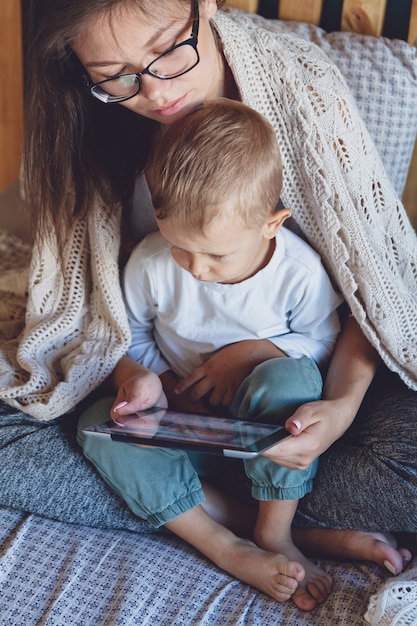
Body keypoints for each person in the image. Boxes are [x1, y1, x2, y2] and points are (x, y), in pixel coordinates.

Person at [0, 0, 416, 613]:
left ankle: (208, 505)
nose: (155, 89)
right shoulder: (84, 119)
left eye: (169, 49)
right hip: (169, 405)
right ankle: (267, 526)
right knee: (49, 430)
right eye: (115, 74)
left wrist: (340, 408)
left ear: (205, 6)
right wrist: (139, 377)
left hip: (298, 401)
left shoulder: (302, 88)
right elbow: (106, 322)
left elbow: (369, 295)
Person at [80, 98, 343, 606]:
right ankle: (222, 546)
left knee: (289, 382)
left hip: (264, 425)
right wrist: (147, 381)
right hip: (182, 418)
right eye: (181, 245)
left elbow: (324, 342)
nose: (196, 269)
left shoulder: (298, 272)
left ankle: (274, 529)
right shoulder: (153, 262)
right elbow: (127, 334)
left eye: (216, 254)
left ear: (271, 223)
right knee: (100, 428)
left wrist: (252, 353)